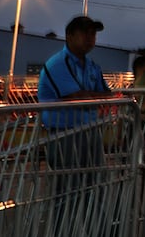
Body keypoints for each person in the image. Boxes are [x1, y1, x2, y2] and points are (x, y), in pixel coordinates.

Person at [36, 16, 114, 169]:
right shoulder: (57, 63)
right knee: (67, 185)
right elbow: (79, 98)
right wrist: (93, 96)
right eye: (85, 33)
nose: (90, 38)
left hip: (90, 130)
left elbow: (108, 96)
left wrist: (90, 95)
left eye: (93, 34)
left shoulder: (92, 66)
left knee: (93, 182)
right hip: (64, 133)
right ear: (69, 36)